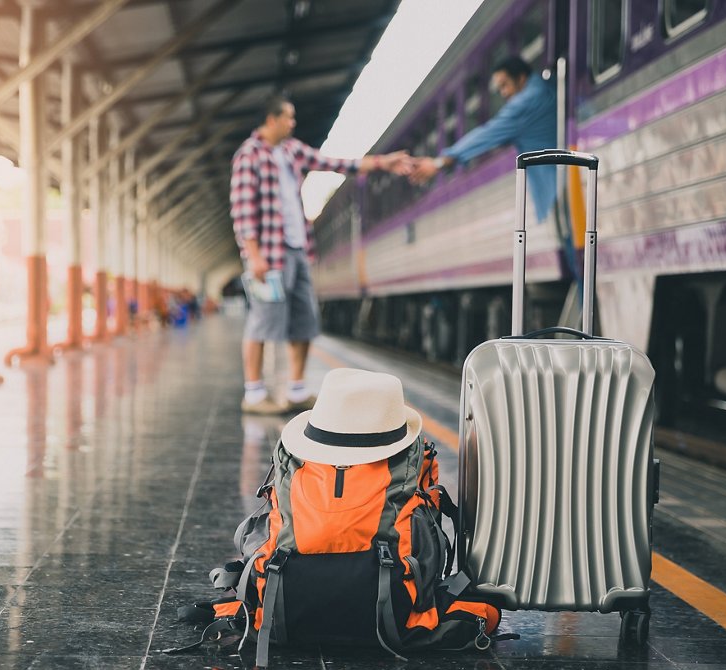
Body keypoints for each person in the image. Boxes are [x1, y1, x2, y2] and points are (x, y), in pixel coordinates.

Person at [230, 95, 412, 414]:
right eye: (288, 117)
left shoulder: (291, 151)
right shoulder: (249, 155)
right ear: (271, 120)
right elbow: (243, 211)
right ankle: (254, 395)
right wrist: (253, 254)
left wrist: (383, 162)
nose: (293, 123)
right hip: (269, 255)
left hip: (298, 250)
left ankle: (297, 390)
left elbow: (337, 164)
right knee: (262, 322)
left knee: (305, 321)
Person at [409, 56, 558, 226]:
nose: (503, 93)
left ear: (521, 78)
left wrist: (439, 163)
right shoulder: (547, 88)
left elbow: (487, 134)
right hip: (563, 181)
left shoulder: (527, 102)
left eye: (505, 85)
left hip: (555, 187)